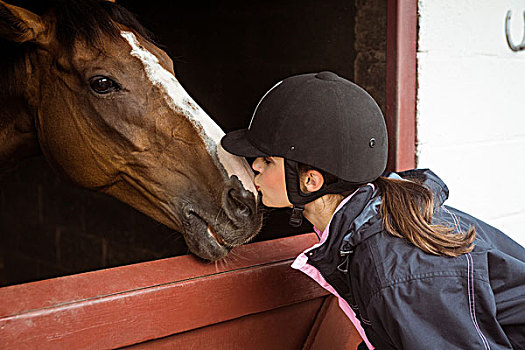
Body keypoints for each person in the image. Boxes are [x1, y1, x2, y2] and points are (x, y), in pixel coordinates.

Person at [221, 71, 525, 349]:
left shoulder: (400, 270)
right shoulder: (368, 227)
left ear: (310, 180)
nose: (255, 167)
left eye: (268, 161)